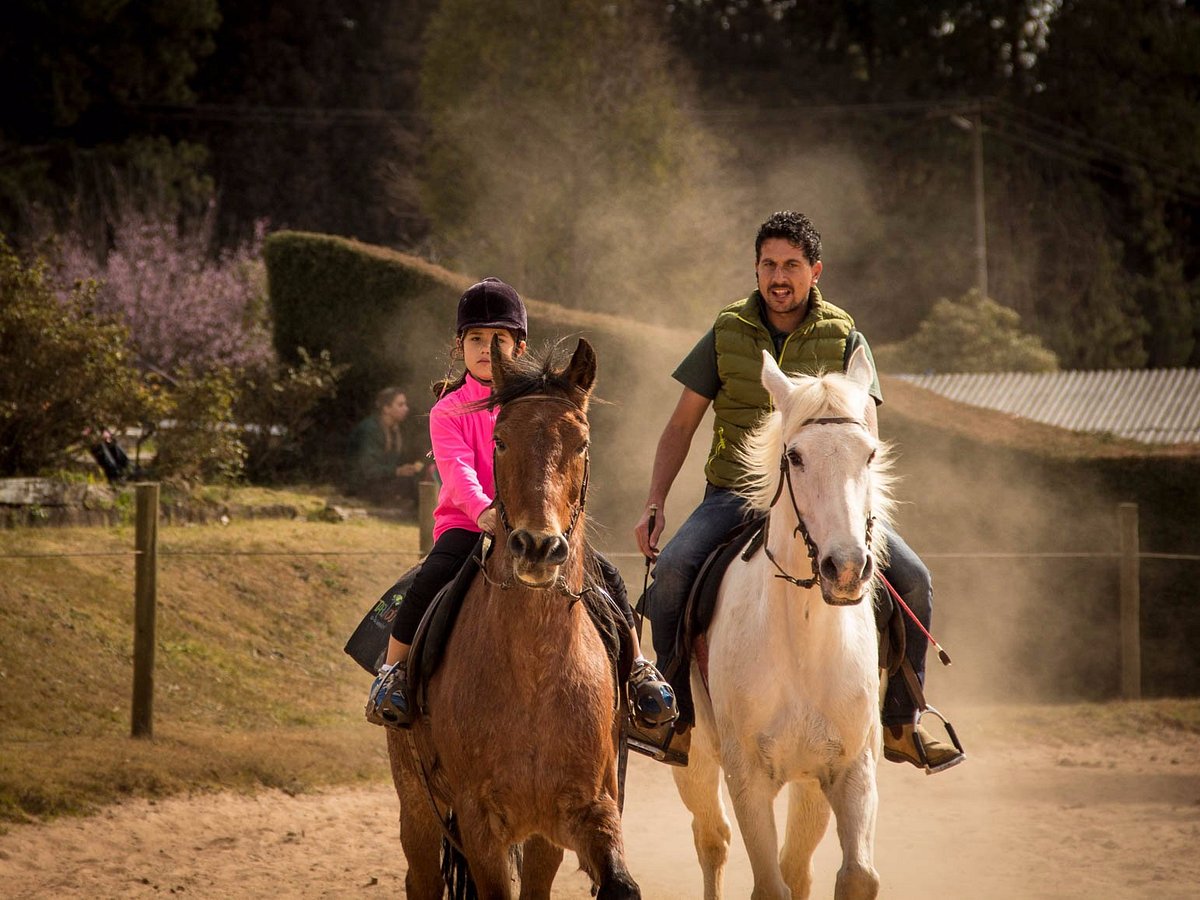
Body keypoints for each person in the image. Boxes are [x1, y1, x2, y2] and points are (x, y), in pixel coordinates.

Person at [632, 210, 965, 773]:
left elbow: (866, 440)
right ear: (756, 269)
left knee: (915, 580)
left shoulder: (846, 335)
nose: (778, 277)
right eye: (768, 265)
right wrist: (655, 500)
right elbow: (681, 425)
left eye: (791, 265)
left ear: (815, 271)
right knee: (673, 572)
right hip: (733, 497)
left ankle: (902, 721)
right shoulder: (726, 329)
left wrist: (862, 516)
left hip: (826, 500)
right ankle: (676, 718)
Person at [365, 277, 676, 732]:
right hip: (468, 523)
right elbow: (455, 472)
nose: (486, 348)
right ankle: (392, 674)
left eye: (499, 339)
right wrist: (484, 512)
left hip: (531, 521)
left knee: (606, 574)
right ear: (459, 346)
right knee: (431, 578)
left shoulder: (536, 406)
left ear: (519, 345)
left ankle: (639, 669)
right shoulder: (447, 410)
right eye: (475, 338)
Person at [346, 387, 426, 509]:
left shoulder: (395, 430)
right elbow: (367, 469)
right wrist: (396, 471)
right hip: (363, 484)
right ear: (386, 408)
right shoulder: (370, 430)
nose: (406, 409)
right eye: (400, 405)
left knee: (420, 478)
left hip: (382, 480)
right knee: (410, 484)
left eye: (405, 404)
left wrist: (406, 469)